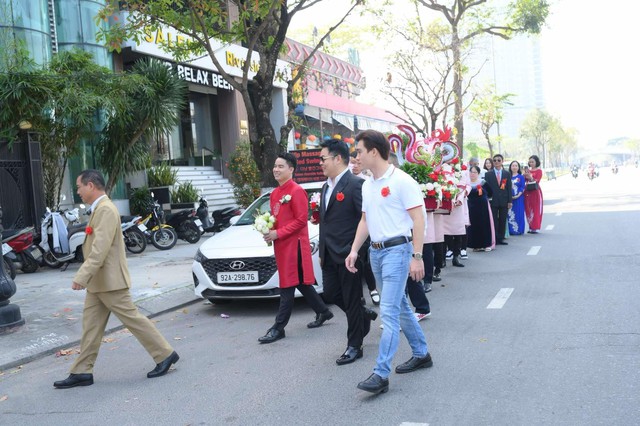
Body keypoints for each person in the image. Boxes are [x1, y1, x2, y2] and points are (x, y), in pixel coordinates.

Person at [54, 170, 178, 389]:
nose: (78, 191)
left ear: (91, 185)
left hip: (110, 282)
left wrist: (82, 276)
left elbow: (99, 249)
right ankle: (82, 371)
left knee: (134, 320)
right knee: (91, 328)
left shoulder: (105, 210)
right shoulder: (100, 209)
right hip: (99, 283)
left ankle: (165, 354)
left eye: (79, 186)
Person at [346, 130, 432, 394]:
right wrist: (353, 250)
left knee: (390, 312)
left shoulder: (402, 181)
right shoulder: (367, 184)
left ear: (373, 151)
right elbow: (365, 221)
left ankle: (381, 374)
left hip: (398, 251)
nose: (356, 156)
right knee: (401, 306)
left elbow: (419, 219)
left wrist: (417, 257)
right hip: (376, 252)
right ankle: (421, 353)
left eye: (359, 151)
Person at [258, 153, 333, 344]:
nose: (276, 169)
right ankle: (323, 312)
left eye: (280, 166)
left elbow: (301, 221)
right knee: (300, 283)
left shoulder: (297, 190)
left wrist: (278, 233)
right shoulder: (275, 193)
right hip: (282, 245)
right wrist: (268, 230)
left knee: (288, 284)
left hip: (295, 246)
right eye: (275, 166)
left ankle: (278, 327)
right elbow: (276, 218)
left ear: (291, 169)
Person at [315, 139, 377, 365]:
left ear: (337, 158)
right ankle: (362, 315)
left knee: (351, 299)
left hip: (350, 253)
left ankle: (354, 345)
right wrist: (322, 250)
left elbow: (365, 220)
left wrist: (357, 251)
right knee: (330, 294)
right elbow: (324, 222)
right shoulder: (325, 187)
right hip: (330, 253)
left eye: (323, 158)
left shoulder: (355, 184)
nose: (320, 163)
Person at [350, 151, 379, 305]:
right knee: (355, 262)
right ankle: (359, 295)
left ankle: (373, 289)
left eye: (357, 162)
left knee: (365, 260)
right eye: (352, 162)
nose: (355, 166)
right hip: (351, 229)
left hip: (366, 226)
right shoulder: (343, 182)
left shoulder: (367, 182)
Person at [483, 154, 512, 245]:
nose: (496, 162)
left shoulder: (506, 173)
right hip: (493, 201)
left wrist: (510, 201)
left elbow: (508, 188)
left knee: (503, 220)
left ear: (502, 161)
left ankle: (501, 238)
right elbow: (486, 188)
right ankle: (495, 238)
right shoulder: (488, 174)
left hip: (504, 200)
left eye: (499, 160)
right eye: (494, 160)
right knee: (494, 220)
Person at [466, 166, 495, 251]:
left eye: (474, 172)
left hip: (483, 207)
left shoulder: (482, 182)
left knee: (485, 225)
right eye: (471, 172)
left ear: (478, 173)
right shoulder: (467, 184)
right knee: (474, 226)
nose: (472, 174)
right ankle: (476, 245)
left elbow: (490, 192)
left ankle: (487, 244)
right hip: (471, 207)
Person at [523, 155, 544, 234]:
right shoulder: (527, 171)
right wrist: (524, 175)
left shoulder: (539, 171)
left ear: (536, 162)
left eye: (533, 162)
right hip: (527, 191)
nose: (531, 163)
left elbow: (537, 181)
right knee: (528, 209)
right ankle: (531, 227)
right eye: (530, 162)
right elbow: (524, 180)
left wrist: (530, 177)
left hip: (535, 191)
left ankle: (536, 227)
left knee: (535, 209)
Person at [507, 160, 526, 235]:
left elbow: (522, 187)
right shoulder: (507, 176)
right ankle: (511, 230)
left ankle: (519, 230)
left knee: (519, 213)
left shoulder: (521, 177)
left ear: (518, 167)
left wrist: (518, 195)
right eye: (513, 166)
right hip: (510, 199)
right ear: (510, 167)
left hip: (519, 198)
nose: (514, 167)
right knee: (510, 214)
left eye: (516, 166)